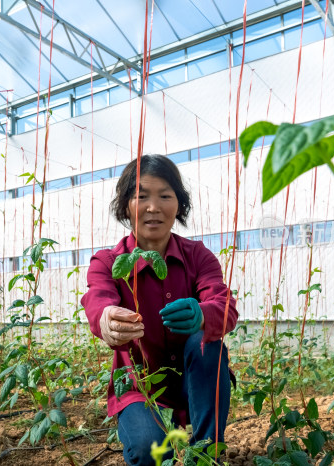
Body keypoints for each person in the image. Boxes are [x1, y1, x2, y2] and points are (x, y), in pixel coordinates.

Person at [81, 155, 238, 465]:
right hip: (140, 386)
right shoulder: (109, 262)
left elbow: (224, 306)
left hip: (193, 384)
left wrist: (204, 314)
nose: (153, 207)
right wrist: (107, 319)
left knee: (207, 345)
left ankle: (206, 456)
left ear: (178, 204)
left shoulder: (198, 256)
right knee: (148, 449)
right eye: (141, 197)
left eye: (165, 196)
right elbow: (97, 300)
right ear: (125, 206)